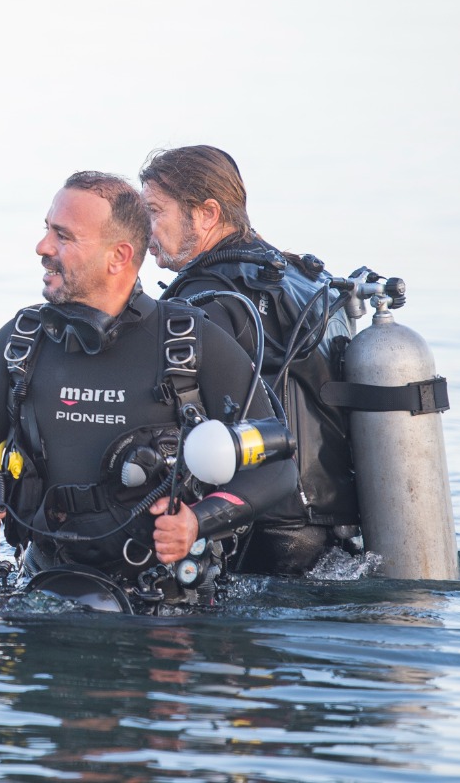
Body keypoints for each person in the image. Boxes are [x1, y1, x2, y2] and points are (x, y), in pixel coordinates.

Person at [0, 171, 297, 611]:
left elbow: (277, 467)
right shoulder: (21, 342)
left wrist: (196, 522)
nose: (43, 247)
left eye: (63, 236)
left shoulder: (191, 345)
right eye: (47, 229)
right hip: (41, 590)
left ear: (119, 256)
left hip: (165, 607)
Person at [139, 145, 357, 575]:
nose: (144, 228)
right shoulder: (306, 279)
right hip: (339, 527)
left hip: (262, 531)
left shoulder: (206, 300)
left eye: (155, 212)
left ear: (207, 213)